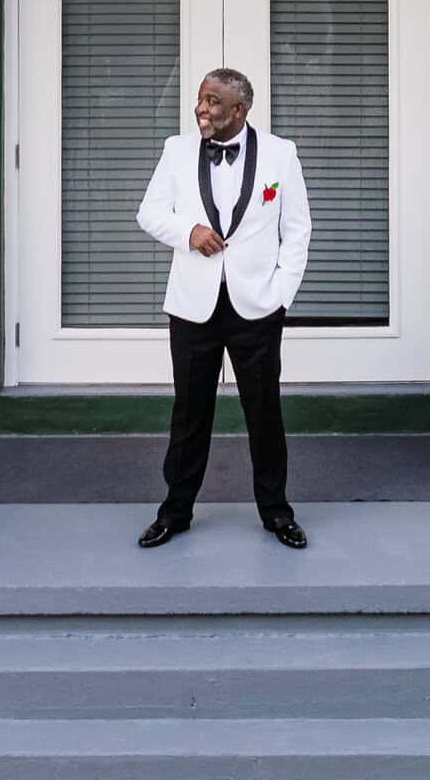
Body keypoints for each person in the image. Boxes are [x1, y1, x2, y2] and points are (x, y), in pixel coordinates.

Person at [132, 65, 313, 550]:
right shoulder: (176, 150)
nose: (201, 109)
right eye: (200, 99)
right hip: (193, 307)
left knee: (264, 414)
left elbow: (297, 231)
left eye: (212, 102)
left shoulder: (281, 154)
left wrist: (280, 295)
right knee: (189, 414)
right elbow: (148, 212)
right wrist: (187, 233)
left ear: (239, 109)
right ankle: (175, 512)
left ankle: (276, 513)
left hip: (257, 307)